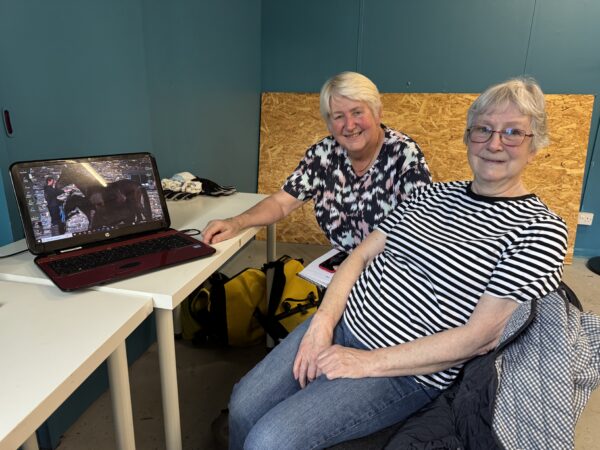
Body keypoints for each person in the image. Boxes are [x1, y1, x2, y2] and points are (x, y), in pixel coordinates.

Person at [227, 76, 568, 449]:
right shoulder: (432, 195)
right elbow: (359, 255)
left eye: (513, 133)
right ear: (468, 138)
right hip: (343, 322)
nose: (494, 143)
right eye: (483, 130)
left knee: (270, 439)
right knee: (243, 405)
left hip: (403, 370)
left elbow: (480, 336)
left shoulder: (539, 229)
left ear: (536, 146)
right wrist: (322, 323)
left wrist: (365, 363)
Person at [202, 71, 432, 252]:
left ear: (377, 112)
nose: (349, 125)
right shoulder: (323, 155)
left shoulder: (404, 155)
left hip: (393, 272)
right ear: (329, 124)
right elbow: (282, 203)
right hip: (341, 267)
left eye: (357, 112)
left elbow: (418, 230)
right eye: (338, 116)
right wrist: (237, 222)